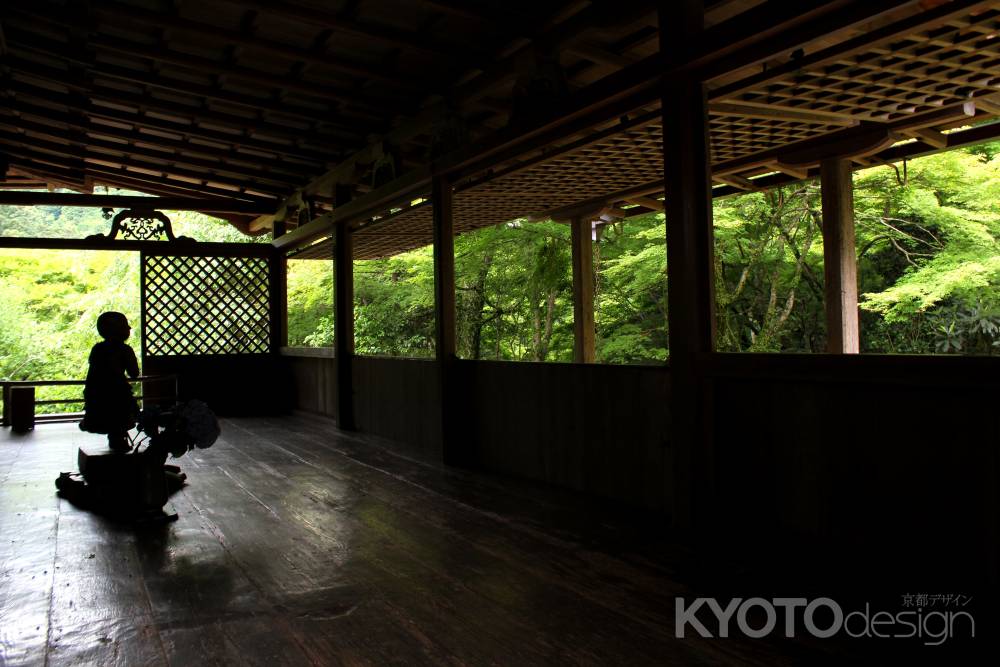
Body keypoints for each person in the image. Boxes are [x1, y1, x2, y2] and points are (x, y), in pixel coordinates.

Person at [80, 311, 140, 452]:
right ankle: (118, 441)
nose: (129, 329)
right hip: (119, 394)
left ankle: (116, 440)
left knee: (110, 422)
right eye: (126, 326)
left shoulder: (98, 349)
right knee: (120, 421)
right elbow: (134, 374)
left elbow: (92, 376)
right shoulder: (125, 350)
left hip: (98, 394)